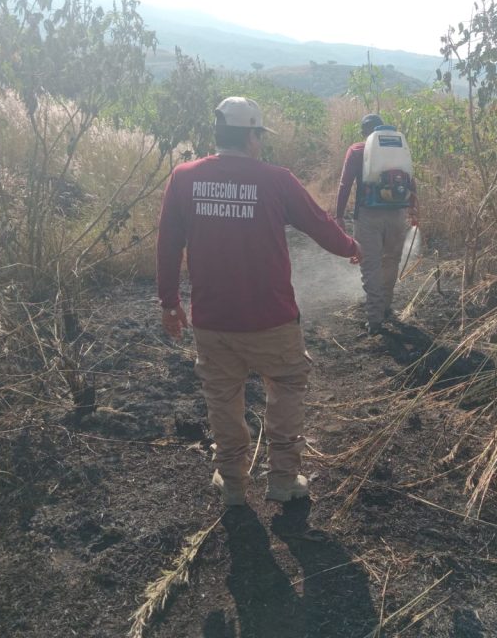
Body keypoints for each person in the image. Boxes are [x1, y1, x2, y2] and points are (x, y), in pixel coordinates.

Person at [157, 96, 362, 506]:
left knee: (223, 399)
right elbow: (319, 224)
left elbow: (167, 245)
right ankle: (283, 482)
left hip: (214, 322)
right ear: (251, 135)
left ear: (218, 133)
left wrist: (169, 302)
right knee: (286, 390)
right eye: (259, 136)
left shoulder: (183, 178)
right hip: (273, 320)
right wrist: (350, 247)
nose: (260, 144)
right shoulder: (277, 180)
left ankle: (233, 484)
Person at [335, 113, 418, 335]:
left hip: (369, 215)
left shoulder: (357, 150)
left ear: (365, 133)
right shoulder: (397, 148)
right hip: (398, 213)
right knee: (390, 261)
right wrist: (413, 209)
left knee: (370, 265)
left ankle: (374, 319)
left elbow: (345, 184)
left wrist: (339, 215)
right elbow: (411, 180)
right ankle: (386, 306)